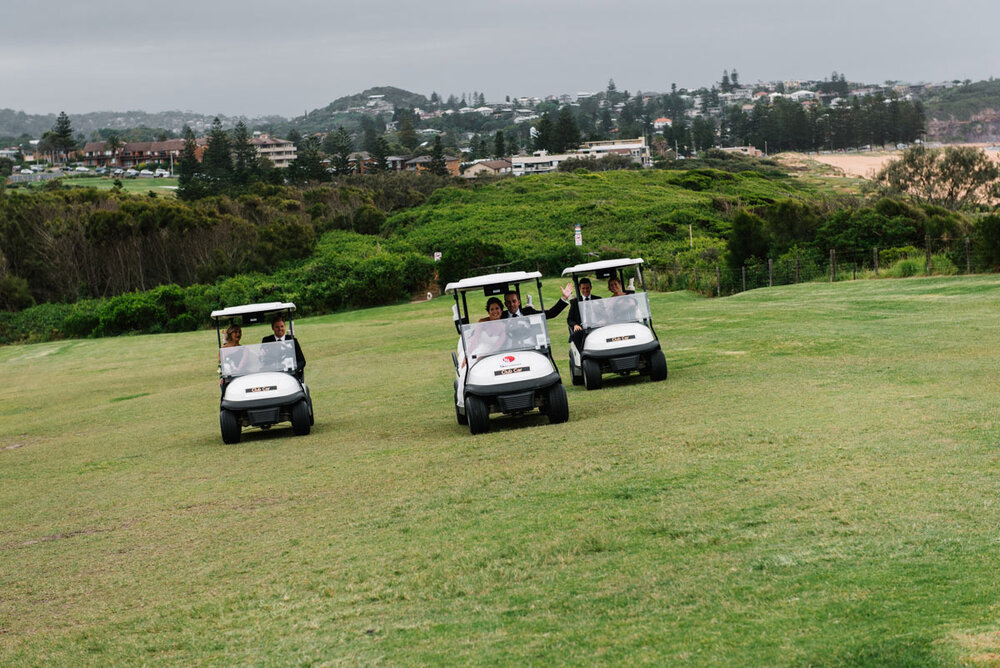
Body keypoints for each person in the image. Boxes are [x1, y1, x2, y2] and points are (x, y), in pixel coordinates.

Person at [566, 277, 601, 351]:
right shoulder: (575, 302)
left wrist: (602, 320)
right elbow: (570, 319)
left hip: (596, 326)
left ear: (591, 287)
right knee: (576, 335)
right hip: (582, 328)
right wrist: (575, 325)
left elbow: (604, 314)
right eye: (583, 288)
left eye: (587, 288)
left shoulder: (598, 299)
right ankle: (582, 355)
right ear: (579, 288)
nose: (585, 290)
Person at [503, 282, 574, 319]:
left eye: (514, 301)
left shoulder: (529, 312)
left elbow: (550, 313)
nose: (512, 305)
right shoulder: (502, 316)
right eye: (508, 302)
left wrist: (564, 297)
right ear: (505, 304)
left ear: (519, 302)